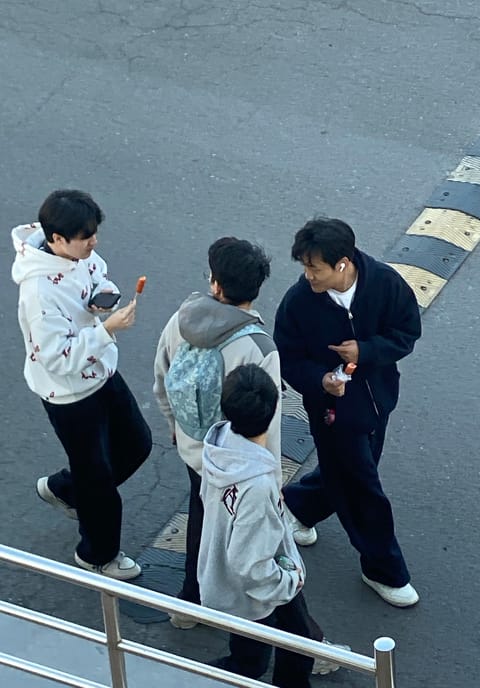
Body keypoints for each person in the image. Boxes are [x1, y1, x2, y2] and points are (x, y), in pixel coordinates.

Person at [274, 217, 422, 607]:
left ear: (342, 264)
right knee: (363, 488)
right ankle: (384, 569)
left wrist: (366, 352)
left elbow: (407, 332)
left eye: (314, 267)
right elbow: (287, 358)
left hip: (378, 401)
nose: (308, 276)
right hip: (332, 412)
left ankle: (298, 506)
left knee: (352, 469)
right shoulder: (299, 303)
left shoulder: (386, 284)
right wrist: (322, 380)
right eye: (304, 266)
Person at [11, 189, 152, 580]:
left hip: (101, 372)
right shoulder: (38, 293)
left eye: (94, 233)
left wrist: (99, 300)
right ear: (57, 239)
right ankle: (98, 555)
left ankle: (67, 489)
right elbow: (56, 357)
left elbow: (96, 277)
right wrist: (107, 328)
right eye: (86, 236)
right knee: (100, 481)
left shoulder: (81, 257)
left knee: (137, 444)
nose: (95, 242)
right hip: (69, 394)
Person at [153, 237, 281, 626]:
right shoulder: (259, 347)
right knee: (235, 531)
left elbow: (162, 377)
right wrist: (270, 474)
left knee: (200, 514)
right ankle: (238, 609)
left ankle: (188, 603)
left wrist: (175, 427)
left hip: (194, 448)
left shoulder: (183, 320)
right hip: (236, 464)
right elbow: (266, 423)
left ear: (216, 285)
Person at [200, 364, 322, 688]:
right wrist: (288, 580)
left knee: (249, 653)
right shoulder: (256, 484)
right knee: (299, 641)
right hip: (261, 588)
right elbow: (250, 565)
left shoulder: (220, 444)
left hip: (222, 578)